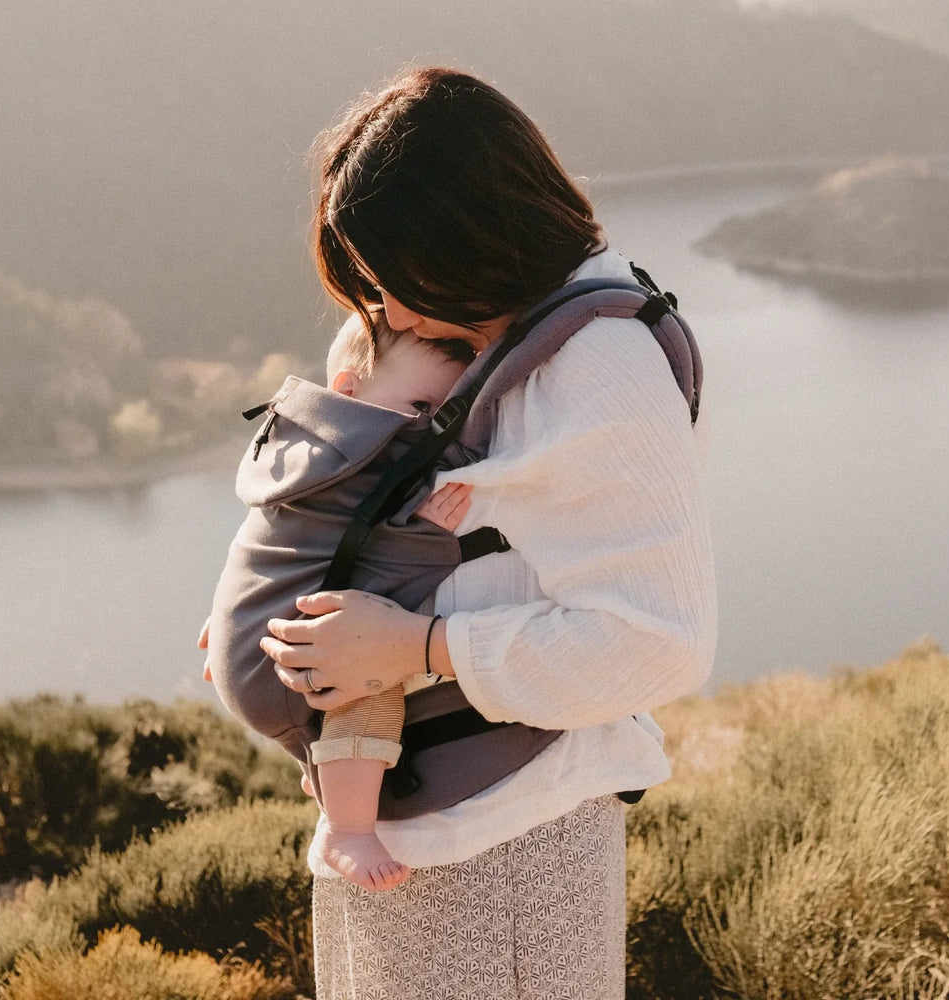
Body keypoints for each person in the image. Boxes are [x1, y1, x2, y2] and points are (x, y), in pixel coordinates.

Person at [221, 67, 716, 999]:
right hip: (401, 834)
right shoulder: (461, 335)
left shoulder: (601, 361)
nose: (389, 312)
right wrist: (267, 610)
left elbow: (661, 641)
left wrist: (416, 646)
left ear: (469, 235)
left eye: (396, 279)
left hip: (507, 850)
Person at [201, 310, 477, 892]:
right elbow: (368, 584)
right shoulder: (372, 464)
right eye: (422, 407)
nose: (435, 429)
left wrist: (233, 620)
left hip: (246, 639)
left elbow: (279, 545)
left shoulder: (303, 445)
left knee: (350, 663)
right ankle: (346, 828)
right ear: (349, 391)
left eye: (447, 412)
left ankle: (322, 768)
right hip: (281, 661)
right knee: (370, 676)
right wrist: (422, 539)